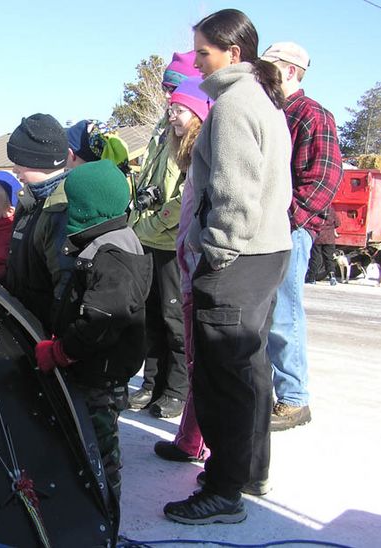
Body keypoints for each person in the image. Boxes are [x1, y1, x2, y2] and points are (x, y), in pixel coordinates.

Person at [163, 9, 292, 524]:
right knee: (249, 369)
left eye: (203, 53)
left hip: (238, 257)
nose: (197, 62)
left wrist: (215, 252)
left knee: (223, 376)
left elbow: (234, 195)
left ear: (232, 54)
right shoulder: (260, 99)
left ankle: (223, 490)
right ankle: (248, 470)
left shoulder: (235, 104)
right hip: (265, 253)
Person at [35, 159, 152, 507]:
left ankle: (103, 511)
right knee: (84, 435)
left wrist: (61, 352)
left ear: (87, 208)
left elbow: (103, 318)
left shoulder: (112, 255)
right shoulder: (106, 238)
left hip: (101, 372)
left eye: (74, 203)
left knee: (99, 446)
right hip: (92, 364)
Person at [261, 42, 343, 431]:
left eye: (271, 67)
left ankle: (294, 398)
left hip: (289, 231)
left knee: (283, 311)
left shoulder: (311, 115)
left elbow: (324, 179)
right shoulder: (270, 111)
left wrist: (286, 219)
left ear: (291, 71)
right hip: (265, 227)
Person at [127, 51, 201, 418]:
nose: (167, 98)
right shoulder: (163, 130)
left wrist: (155, 223)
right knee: (150, 317)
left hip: (171, 241)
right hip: (148, 236)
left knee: (174, 319)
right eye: (166, 89)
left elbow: (185, 194)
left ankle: (177, 388)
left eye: (175, 89)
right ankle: (151, 383)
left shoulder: (197, 139)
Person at [149, 77, 211, 462]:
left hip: (199, 258)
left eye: (180, 106)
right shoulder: (178, 150)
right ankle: (190, 436)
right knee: (189, 347)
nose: (172, 113)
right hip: (186, 255)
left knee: (195, 350)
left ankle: (198, 438)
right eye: (170, 106)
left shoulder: (205, 152)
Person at [5, 113, 73, 333]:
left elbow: (64, 281)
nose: (15, 169)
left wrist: (56, 341)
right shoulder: (29, 201)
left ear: (39, 161)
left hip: (42, 330)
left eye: (19, 162)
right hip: (22, 320)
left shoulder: (60, 209)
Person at [306, 205, 340, 285]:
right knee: (329, 258)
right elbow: (338, 222)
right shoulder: (331, 210)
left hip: (318, 238)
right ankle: (332, 277)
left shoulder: (316, 210)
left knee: (315, 259)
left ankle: (312, 278)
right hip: (329, 239)